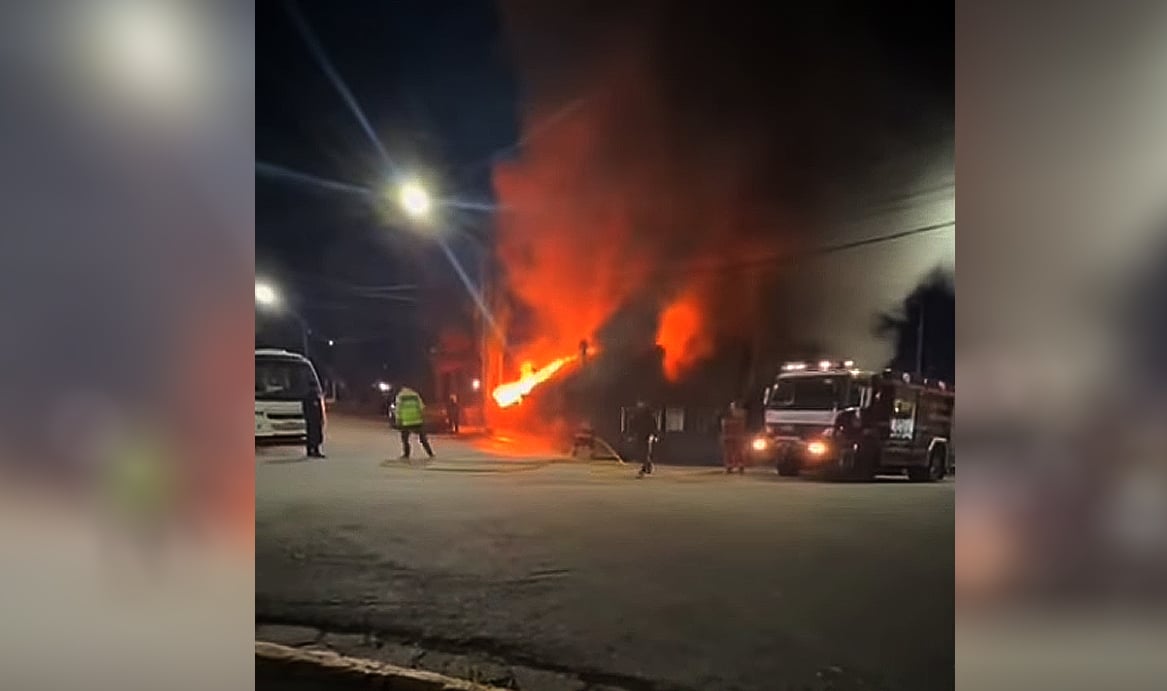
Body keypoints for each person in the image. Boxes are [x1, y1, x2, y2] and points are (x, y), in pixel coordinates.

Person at [394, 386, 434, 460]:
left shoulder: (400, 396)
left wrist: (398, 419)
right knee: (423, 439)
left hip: (406, 421)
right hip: (417, 420)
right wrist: (422, 417)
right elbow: (421, 407)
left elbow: (398, 409)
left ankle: (406, 454)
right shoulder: (415, 395)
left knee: (405, 439)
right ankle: (430, 453)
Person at [627, 400, 659, 478]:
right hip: (642, 436)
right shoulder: (638, 416)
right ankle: (648, 466)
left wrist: (654, 435)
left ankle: (645, 468)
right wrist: (631, 435)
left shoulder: (647, 416)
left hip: (647, 436)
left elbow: (653, 426)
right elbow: (633, 425)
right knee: (644, 452)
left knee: (646, 452)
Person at [721, 400, 747, 473]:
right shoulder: (728, 418)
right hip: (731, 437)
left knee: (738, 452)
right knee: (730, 452)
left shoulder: (740, 417)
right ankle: (731, 466)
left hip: (736, 437)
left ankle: (739, 466)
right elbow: (724, 427)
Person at [303, 381, 325, 458]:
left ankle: (316, 450)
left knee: (318, 435)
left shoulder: (317, 397)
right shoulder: (308, 397)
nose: (315, 389)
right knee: (311, 435)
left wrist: (321, 418)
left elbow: (320, 409)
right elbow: (305, 409)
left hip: (317, 419)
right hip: (311, 419)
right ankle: (310, 450)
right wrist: (307, 417)